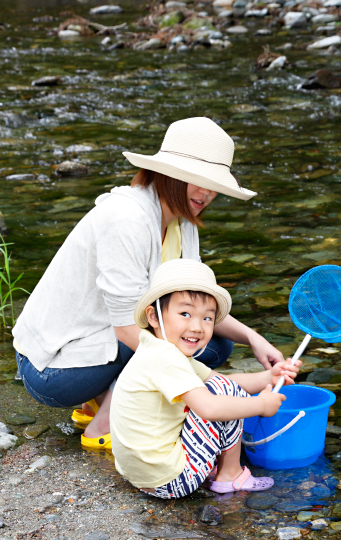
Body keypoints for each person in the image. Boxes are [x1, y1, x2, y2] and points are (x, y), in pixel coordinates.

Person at [12, 117, 285, 451]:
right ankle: (104, 424)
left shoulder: (183, 224)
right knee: (176, 339)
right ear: (166, 173)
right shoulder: (127, 220)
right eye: (195, 179)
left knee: (215, 342)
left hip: (98, 347)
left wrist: (254, 339)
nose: (207, 192)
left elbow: (197, 307)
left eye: (214, 183)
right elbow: (128, 328)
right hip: (53, 370)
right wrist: (200, 386)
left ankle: (98, 400)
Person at [110, 258, 300, 497]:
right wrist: (260, 405)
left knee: (219, 386)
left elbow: (222, 380)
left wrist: (270, 377)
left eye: (207, 318)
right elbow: (211, 405)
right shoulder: (166, 358)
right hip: (170, 481)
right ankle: (229, 475)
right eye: (185, 313)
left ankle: (211, 468)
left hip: (142, 476)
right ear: (154, 317)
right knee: (222, 393)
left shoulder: (155, 349)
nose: (198, 327)